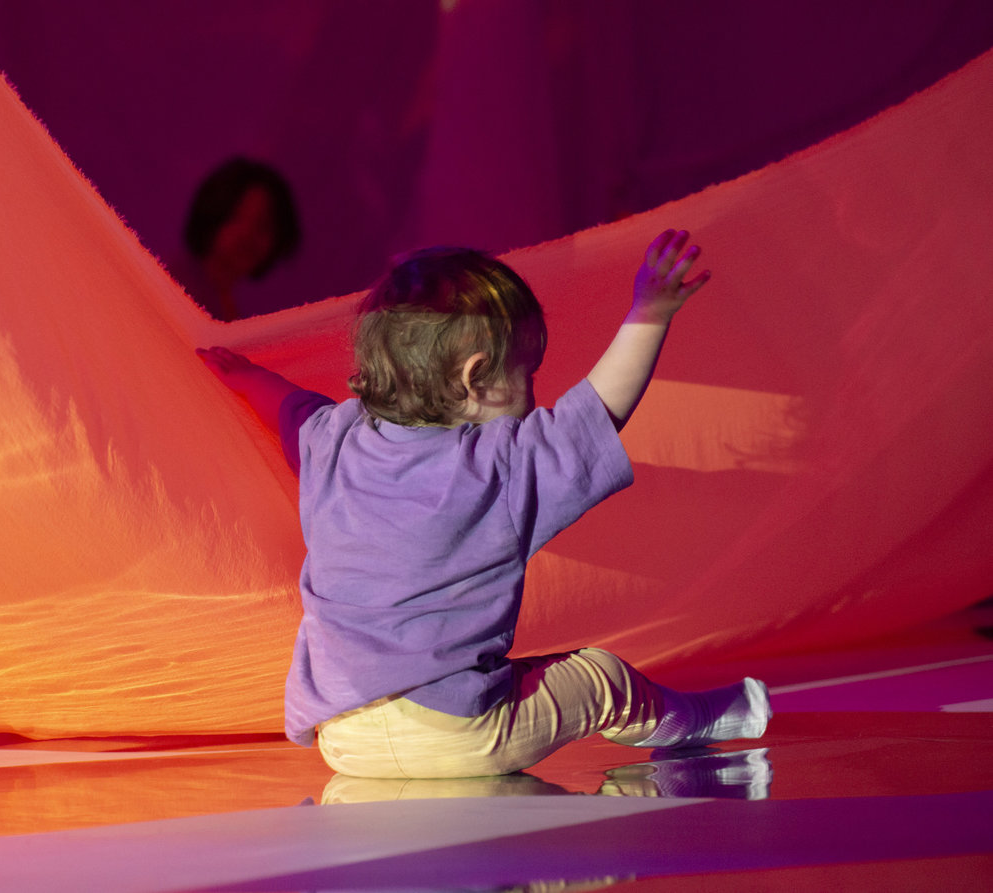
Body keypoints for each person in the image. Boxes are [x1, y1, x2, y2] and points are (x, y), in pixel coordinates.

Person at [197, 230, 771, 778]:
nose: (536, 394)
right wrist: (649, 314)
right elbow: (598, 413)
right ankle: (703, 720)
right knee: (601, 678)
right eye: (527, 374)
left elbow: (287, 407)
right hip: (458, 734)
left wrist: (244, 375)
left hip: (343, 737)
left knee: (511, 675)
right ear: (475, 380)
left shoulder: (332, 440)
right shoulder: (499, 465)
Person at [172, 157, 301, 321]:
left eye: (262, 225)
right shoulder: (175, 286)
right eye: (236, 216)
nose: (247, 235)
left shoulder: (226, 306)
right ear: (212, 213)